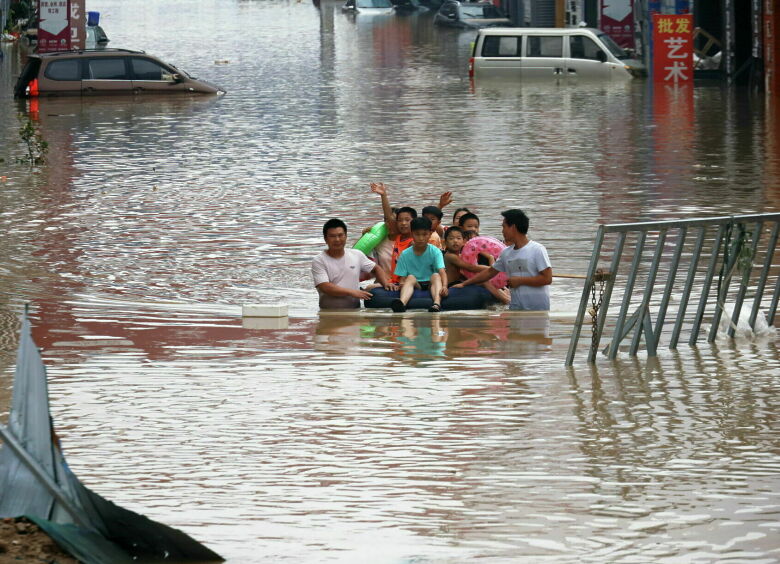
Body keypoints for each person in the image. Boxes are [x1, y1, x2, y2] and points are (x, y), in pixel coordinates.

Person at [454, 209, 551, 311]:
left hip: (538, 310)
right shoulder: (506, 253)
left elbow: (547, 279)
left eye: (504, 226)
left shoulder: (537, 249)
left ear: (513, 227)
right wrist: (464, 284)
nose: (502, 231)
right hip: (516, 308)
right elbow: (489, 272)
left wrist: (520, 281)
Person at [312, 218, 392, 309]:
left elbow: (376, 268)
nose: (337, 239)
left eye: (340, 235)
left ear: (346, 236)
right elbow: (325, 287)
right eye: (332, 236)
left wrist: (386, 283)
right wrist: (353, 292)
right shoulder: (319, 260)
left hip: (355, 311)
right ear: (325, 239)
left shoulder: (356, 255)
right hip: (329, 312)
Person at [391, 216, 448, 313]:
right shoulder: (405, 254)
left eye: (424, 234)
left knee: (435, 275)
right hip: (416, 283)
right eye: (417, 234)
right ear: (412, 234)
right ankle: (402, 303)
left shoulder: (435, 251)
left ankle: (436, 304)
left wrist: (445, 286)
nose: (421, 238)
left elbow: (442, 271)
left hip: (431, 282)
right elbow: (403, 277)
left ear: (430, 234)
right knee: (411, 277)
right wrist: (401, 284)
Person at [443, 226, 510, 304]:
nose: (455, 241)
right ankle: (505, 300)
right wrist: (492, 269)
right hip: (451, 284)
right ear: (445, 242)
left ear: (464, 241)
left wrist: (491, 264)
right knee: (484, 281)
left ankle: (506, 296)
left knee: (484, 278)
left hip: (458, 280)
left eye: (458, 238)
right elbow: (471, 268)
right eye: (451, 239)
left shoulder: (460, 256)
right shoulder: (450, 256)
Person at [370, 182, 418, 285]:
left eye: (407, 220)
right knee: (370, 288)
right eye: (400, 220)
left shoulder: (416, 241)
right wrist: (384, 195)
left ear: (414, 221)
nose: (403, 223)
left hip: (410, 282)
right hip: (393, 282)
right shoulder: (398, 237)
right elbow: (389, 217)